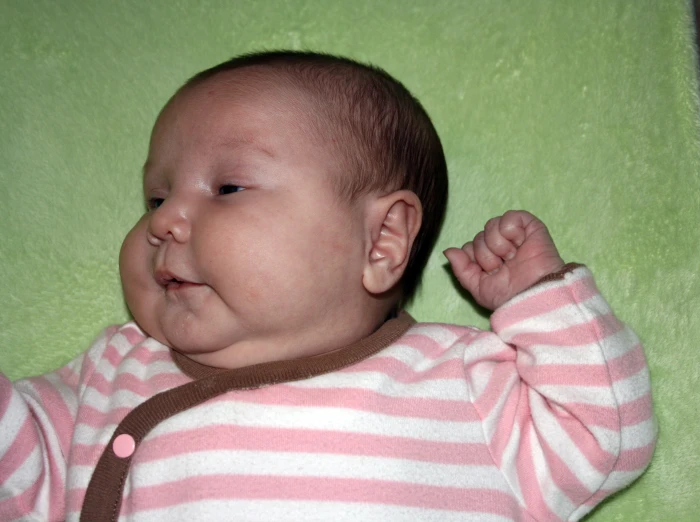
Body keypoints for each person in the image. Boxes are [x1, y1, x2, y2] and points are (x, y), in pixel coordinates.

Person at [0, 51, 656, 521]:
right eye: (154, 195)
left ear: (381, 242)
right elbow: (17, 463)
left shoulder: (460, 385)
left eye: (228, 188)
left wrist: (541, 298)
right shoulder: (113, 372)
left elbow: (601, 434)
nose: (165, 220)